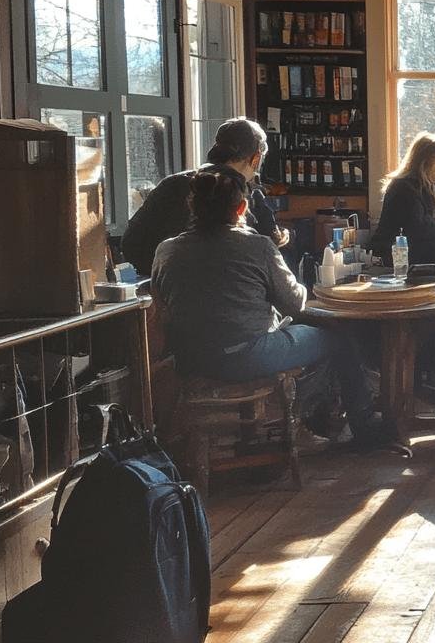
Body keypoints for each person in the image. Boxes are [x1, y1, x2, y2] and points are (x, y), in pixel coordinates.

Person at [150, 169, 386, 448]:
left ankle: (312, 415)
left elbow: (161, 304)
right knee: (339, 339)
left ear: (193, 207)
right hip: (245, 354)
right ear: (241, 208)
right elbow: (295, 304)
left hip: (190, 359)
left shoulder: (166, 251)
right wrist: (302, 285)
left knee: (309, 341)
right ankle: (363, 427)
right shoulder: (256, 246)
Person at [122, 117, 289, 276]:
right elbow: (266, 247)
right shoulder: (245, 196)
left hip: (166, 289)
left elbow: (130, 242)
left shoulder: (172, 184)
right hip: (223, 290)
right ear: (256, 158)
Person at [371, 133, 435, 267]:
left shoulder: (422, 186)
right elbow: (421, 227)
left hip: (406, 257)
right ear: (424, 162)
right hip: (396, 260)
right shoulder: (405, 188)